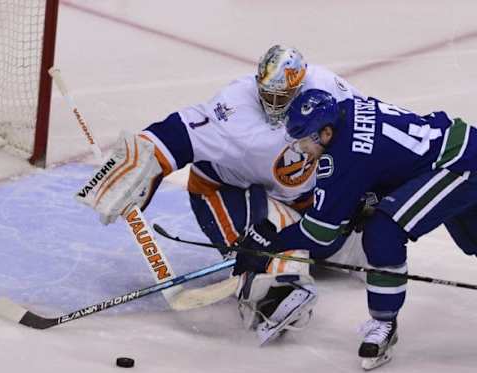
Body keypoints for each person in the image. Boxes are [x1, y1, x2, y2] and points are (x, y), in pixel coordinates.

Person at [75, 45, 366, 344]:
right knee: (279, 262)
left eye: (283, 97)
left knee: (369, 240)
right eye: (267, 94)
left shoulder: (330, 90)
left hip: (300, 198)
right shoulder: (233, 110)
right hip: (226, 191)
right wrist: (137, 164)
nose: (274, 104)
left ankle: (313, 253)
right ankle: (268, 293)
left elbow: (373, 128)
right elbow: (177, 133)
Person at [233, 87, 477, 368]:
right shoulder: (346, 110)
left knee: (383, 231)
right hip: (460, 149)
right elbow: (383, 161)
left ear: (325, 134)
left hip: (459, 165)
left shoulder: (344, 156)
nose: (300, 148)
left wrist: (270, 245)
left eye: (303, 140)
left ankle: (383, 324)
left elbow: (321, 235)